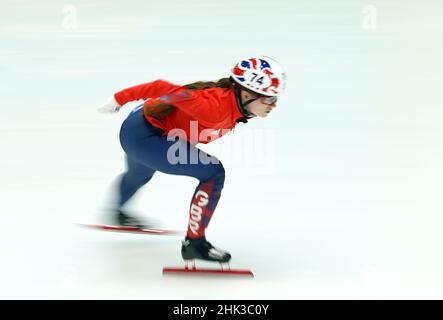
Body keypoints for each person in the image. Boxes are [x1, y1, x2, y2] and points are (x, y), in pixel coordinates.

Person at [97, 56, 286, 264]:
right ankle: (194, 243)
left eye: (275, 98)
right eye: (268, 98)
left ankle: (118, 212)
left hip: (138, 129)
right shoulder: (214, 107)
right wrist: (118, 99)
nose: (274, 105)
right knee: (213, 173)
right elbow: (161, 87)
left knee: (139, 174)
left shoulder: (233, 104)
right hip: (146, 136)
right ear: (246, 94)